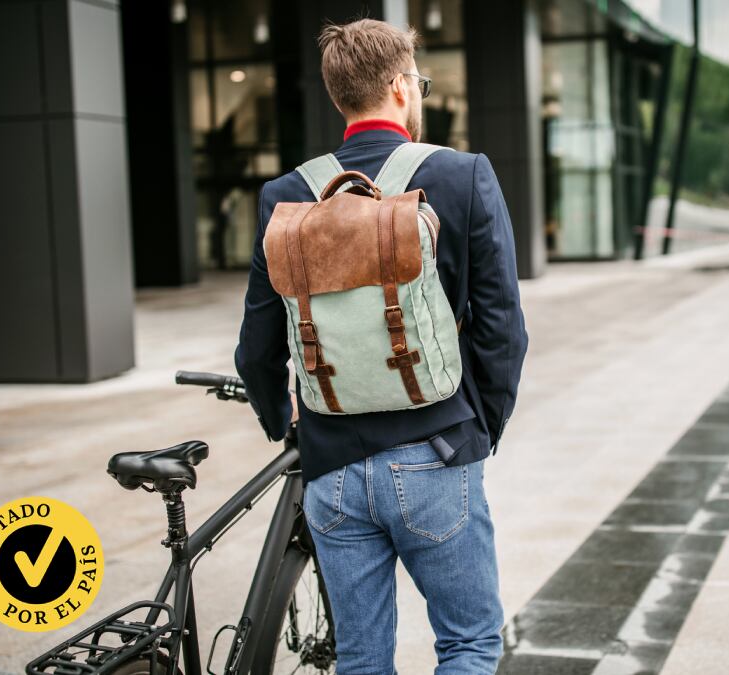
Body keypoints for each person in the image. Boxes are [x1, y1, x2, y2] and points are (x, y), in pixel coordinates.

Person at [233, 18, 529, 675]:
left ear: (341, 98)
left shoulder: (286, 196)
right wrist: (481, 428)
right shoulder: (463, 176)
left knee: (362, 657)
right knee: (469, 643)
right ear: (400, 87)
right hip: (436, 451)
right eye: (416, 82)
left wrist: (284, 423)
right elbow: (503, 328)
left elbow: (257, 348)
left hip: (332, 468)